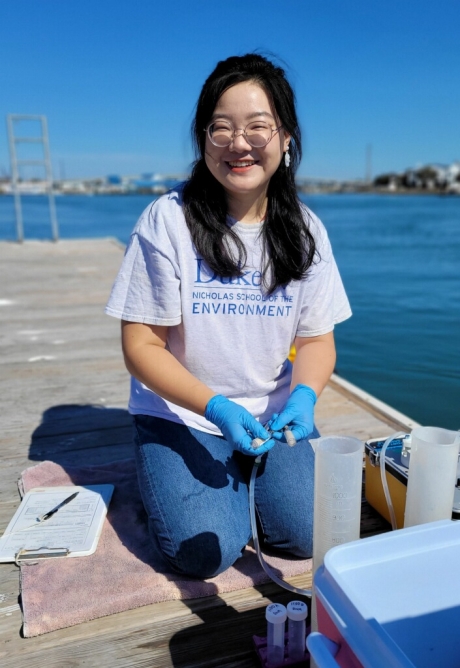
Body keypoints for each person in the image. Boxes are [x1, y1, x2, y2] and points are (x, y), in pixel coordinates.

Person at [105, 53, 351, 579]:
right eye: (221, 128)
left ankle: (246, 478)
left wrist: (304, 396)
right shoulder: (167, 220)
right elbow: (141, 346)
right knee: (204, 551)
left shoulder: (306, 231)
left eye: (258, 127)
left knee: (306, 533)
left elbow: (315, 341)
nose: (239, 143)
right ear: (203, 140)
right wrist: (215, 408)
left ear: (286, 138)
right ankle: (168, 470)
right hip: (184, 412)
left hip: (273, 414)